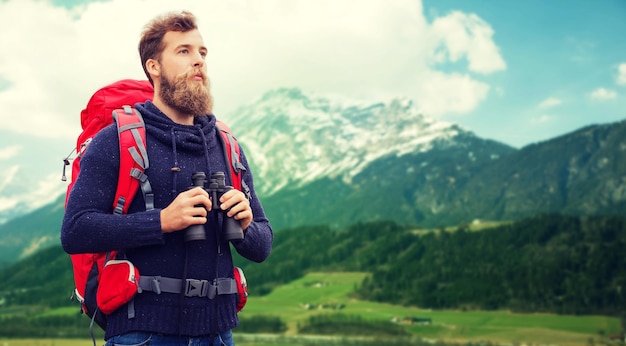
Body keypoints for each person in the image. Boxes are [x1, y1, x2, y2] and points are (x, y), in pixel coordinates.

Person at [61, 10, 273, 346]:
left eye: (202, 52)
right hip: (142, 333)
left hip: (219, 333)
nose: (198, 61)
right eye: (184, 51)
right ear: (153, 67)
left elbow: (262, 246)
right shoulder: (117, 140)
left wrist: (246, 226)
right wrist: (162, 221)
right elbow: (75, 231)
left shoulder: (227, 145)